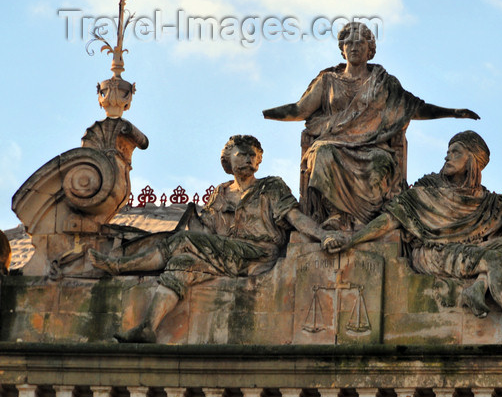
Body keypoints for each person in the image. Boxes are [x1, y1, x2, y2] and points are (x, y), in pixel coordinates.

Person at [326, 131, 502, 343]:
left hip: (467, 251)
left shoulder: (488, 203)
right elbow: (389, 221)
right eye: (447, 151)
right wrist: (352, 240)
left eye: (455, 152)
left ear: (472, 160)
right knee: (494, 258)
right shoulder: (428, 190)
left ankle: (479, 287)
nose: (447, 156)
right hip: (433, 252)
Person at [88, 135, 344, 343]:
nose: (249, 158)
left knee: (184, 242)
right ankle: (147, 327)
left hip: (259, 254)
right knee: (182, 263)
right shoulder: (220, 193)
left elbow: (296, 218)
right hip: (225, 257)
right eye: (243, 153)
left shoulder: (271, 186)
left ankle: (120, 266)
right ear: (228, 158)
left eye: (254, 155)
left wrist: (323, 235)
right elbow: (209, 235)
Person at [263, 22, 479, 229]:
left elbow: (414, 108)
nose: (354, 47)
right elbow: (300, 110)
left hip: (372, 147)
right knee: (322, 153)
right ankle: (337, 217)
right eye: (349, 43)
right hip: (333, 143)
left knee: (380, 161)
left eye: (360, 43)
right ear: (342, 49)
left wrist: (453, 113)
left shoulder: (383, 83)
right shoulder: (328, 80)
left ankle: (367, 221)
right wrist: (266, 113)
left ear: (370, 49)